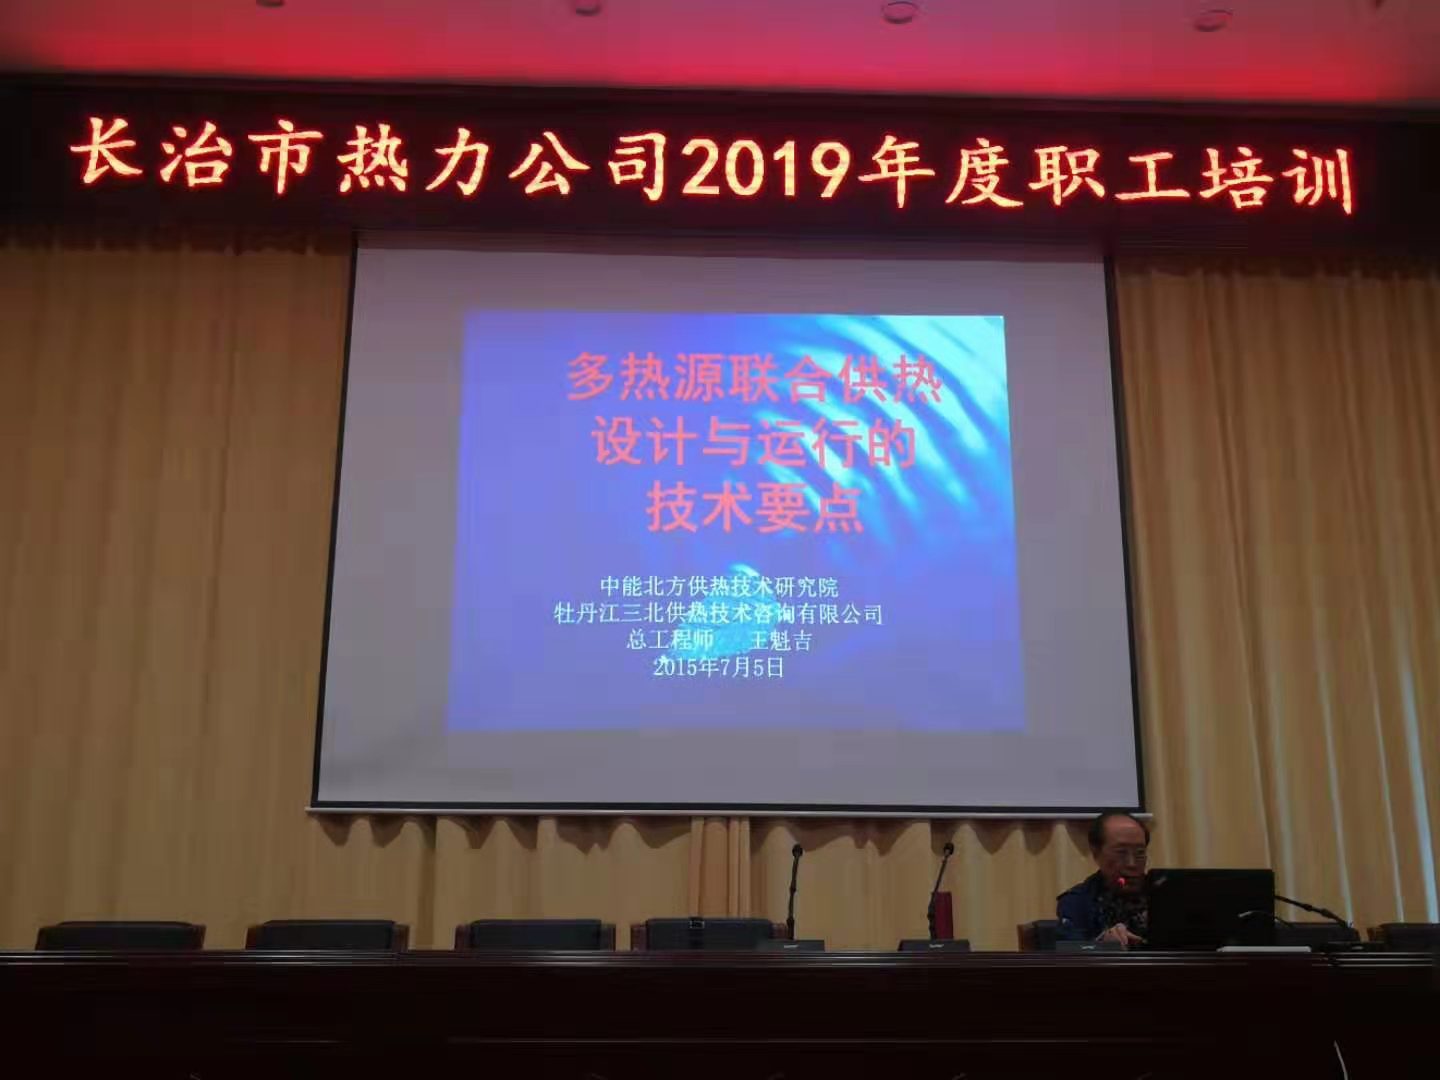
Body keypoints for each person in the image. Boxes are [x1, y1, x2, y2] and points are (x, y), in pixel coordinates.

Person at [1055, 811, 1150, 948]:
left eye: (1140, 853)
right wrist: (1102, 945)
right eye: (1121, 853)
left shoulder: (1167, 895)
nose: (1132, 864)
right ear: (1096, 853)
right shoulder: (1077, 902)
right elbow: (1072, 953)